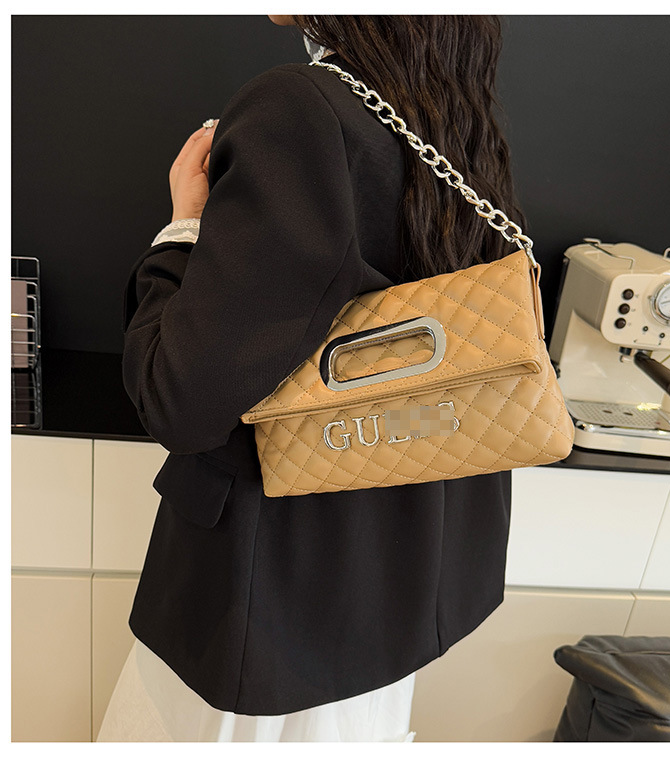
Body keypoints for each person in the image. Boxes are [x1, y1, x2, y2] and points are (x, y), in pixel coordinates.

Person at [97, 15, 526, 742]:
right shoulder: (453, 110)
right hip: (394, 587)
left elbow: (177, 397)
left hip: (270, 603)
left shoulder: (298, 110)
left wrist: (184, 227)